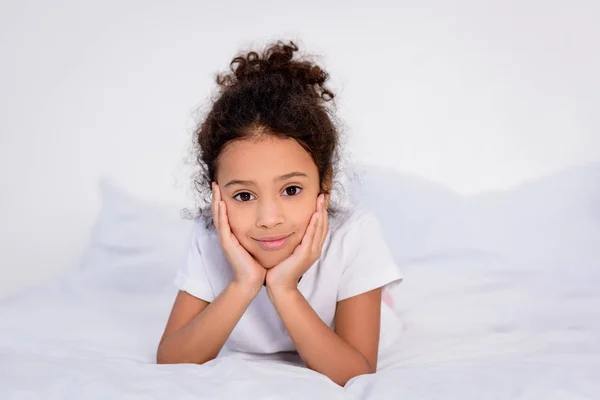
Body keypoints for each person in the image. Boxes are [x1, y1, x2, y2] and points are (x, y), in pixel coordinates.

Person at [156, 40, 403, 386]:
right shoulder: (211, 237)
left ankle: (380, 294)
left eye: (291, 190)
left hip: (364, 324)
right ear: (216, 196)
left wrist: (284, 289)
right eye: (244, 195)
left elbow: (355, 372)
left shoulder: (354, 235)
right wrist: (244, 283)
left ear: (324, 182)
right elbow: (171, 360)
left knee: (377, 302)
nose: (269, 218)